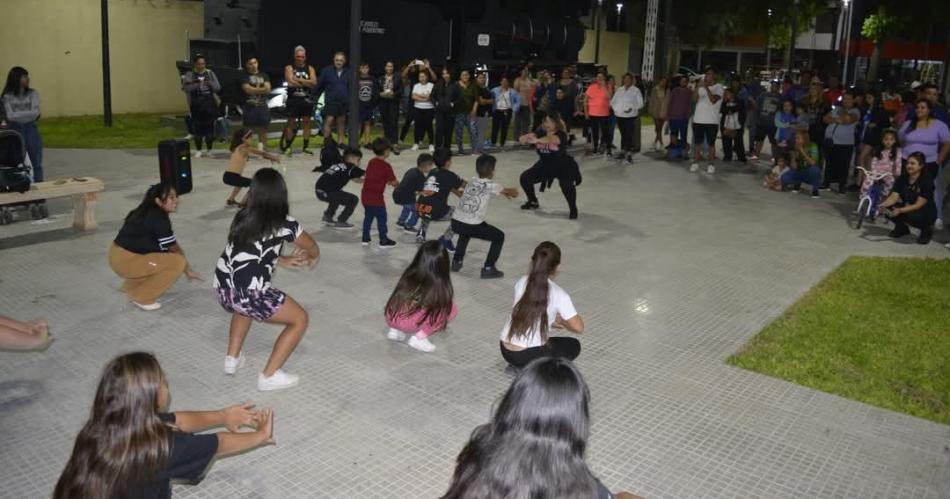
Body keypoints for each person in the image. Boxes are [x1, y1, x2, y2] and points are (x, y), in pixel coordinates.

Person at [53, 352, 274, 499]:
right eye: (163, 381)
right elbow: (220, 443)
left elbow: (178, 420)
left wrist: (222, 416)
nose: (167, 384)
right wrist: (261, 435)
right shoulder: (160, 447)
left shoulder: (99, 427)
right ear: (149, 396)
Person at [215, 168, 319, 391]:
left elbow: (249, 250)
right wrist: (314, 255)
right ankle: (269, 376)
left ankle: (231, 360)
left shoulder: (242, 216)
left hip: (223, 288)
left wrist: (280, 259)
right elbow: (309, 244)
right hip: (251, 294)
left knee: (243, 308)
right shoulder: (285, 223)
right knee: (299, 319)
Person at [109, 183, 202, 311]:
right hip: (126, 261)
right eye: (171, 197)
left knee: (160, 259)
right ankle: (141, 297)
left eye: (176, 196)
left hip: (119, 256)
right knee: (177, 262)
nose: (176, 200)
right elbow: (174, 249)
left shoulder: (145, 210)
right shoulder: (158, 218)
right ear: (158, 201)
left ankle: (130, 287)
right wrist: (187, 269)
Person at [498, 242, 584, 368]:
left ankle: (519, 365)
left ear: (533, 261)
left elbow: (523, 311)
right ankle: (534, 369)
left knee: (543, 341)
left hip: (505, 349)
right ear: (557, 267)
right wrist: (562, 321)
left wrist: (551, 320)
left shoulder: (522, 281)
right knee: (573, 345)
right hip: (528, 355)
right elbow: (579, 327)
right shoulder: (559, 294)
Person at [450, 154, 519, 279]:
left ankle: (457, 262)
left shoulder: (471, 181)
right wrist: (513, 192)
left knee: (465, 233)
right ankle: (488, 268)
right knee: (499, 236)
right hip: (471, 224)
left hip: (455, 222)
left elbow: (481, 190)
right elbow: (510, 192)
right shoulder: (493, 185)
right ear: (492, 171)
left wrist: (503, 192)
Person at [384, 240, 458, 352]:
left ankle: (395, 331)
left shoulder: (410, 273)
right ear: (443, 264)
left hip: (391, 318)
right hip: (410, 323)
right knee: (451, 309)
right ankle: (419, 338)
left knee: (411, 305)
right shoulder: (438, 283)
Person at [519, 115, 582, 219]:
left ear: (556, 123)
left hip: (562, 165)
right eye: (545, 122)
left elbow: (551, 139)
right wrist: (525, 137)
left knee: (567, 186)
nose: (546, 124)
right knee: (525, 178)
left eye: (550, 122)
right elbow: (530, 135)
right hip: (545, 164)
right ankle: (533, 201)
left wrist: (537, 141)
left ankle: (573, 208)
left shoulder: (561, 134)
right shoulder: (541, 131)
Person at [880, 152, 937, 244]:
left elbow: (918, 205)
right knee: (888, 209)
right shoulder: (902, 178)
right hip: (909, 207)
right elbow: (893, 197)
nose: (908, 166)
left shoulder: (927, 181)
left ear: (921, 166)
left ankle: (926, 231)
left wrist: (900, 210)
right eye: (907, 163)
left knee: (911, 215)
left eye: (912, 163)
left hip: (925, 212)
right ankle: (901, 228)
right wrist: (883, 205)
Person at [2, 66, 43, 182]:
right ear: (16, 78)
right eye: (24, 76)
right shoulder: (7, 96)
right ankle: (22, 186)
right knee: (18, 162)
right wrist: (27, 114)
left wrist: (18, 114)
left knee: (36, 161)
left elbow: (35, 113)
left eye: (27, 76)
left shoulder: (33, 93)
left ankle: (40, 191)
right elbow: (9, 116)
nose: (28, 79)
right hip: (15, 131)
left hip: (31, 129)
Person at [416, 147, 465, 243]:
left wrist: (458, 193)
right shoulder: (450, 175)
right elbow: (463, 184)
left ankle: (421, 233)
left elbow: (446, 185)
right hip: (436, 211)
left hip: (420, 207)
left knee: (428, 204)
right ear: (447, 162)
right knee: (462, 214)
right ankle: (445, 240)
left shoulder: (432, 172)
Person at [898, 99, 950, 182]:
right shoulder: (908, 124)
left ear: (929, 110)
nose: (919, 110)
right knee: (905, 188)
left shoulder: (940, 125)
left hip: (929, 164)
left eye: (923, 107)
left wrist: (938, 160)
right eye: (917, 107)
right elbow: (901, 140)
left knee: (925, 190)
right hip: (908, 162)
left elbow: (947, 143)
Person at [225, 128, 280, 207]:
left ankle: (231, 200)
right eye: (250, 138)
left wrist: (269, 158)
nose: (252, 139)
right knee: (255, 184)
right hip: (232, 176)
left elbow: (261, 155)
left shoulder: (238, 148)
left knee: (240, 182)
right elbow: (262, 153)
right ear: (244, 139)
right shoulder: (244, 148)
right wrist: (273, 157)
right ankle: (244, 203)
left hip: (229, 176)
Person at [361, 138, 399, 247]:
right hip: (376, 198)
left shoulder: (371, 162)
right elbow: (393, 181)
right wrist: (396, 183)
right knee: (382, 219)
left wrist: (385, 180)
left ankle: (365, 237)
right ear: (386, 151)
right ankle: (383, 239)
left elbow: (373, 175)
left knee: (368, 217)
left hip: (365, 196)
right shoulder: (386, 166)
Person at [279, 47, 317, 156]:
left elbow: (314, 82)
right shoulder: (289, 68)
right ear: (294, 57)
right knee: (290, 123)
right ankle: (288, 146)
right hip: (293, 100)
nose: (300, 59)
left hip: (306, 100)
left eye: (302, 57)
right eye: (298, 56)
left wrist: (298, 79)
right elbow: (290, 83)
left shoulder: (310, 68)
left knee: (307, 123)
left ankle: (305, 147)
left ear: (305, 57)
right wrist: (307, 82)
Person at [181, 55, 221, 158]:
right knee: (198, 127)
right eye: (199, 64)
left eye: (203, 63)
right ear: (195, 64)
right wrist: (197, 84)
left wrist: (209, 83)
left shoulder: (210, 73)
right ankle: (198, 150)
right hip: (196, 103)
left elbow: (218, 87)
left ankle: (209, 150)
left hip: (209, 103)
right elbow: (185, 88)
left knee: (209, 127)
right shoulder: (190, 74)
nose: (201, 66)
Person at [315, 147, 365, 228]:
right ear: (351, 158)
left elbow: (355, 179)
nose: (359, 163)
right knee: (353, 199)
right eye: (358, 160)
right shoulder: (350, 167)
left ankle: (328, 216)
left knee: (337, 196)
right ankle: (341, 220)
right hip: (328, 192)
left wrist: (364, 181)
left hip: (320, 190)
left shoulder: (339, 165)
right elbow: (367, 174)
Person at [822, 90, 861, 194]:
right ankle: (826, 183)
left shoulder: (855, 111)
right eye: (844, 99)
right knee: (829, 163)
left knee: (843, 165)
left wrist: (838, 117)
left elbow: (847, 120)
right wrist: (837, 119)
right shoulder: (838, 109)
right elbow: (825, 118)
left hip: (845, 143)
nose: (846, 101)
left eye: (849, 99)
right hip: (831, 141)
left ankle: (842, 186)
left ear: (854, 100)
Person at [859, 129, 900, 208]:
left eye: (891, 139)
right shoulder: (878, 150)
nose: (888, 142)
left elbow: (898, 163)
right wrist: (872, 172)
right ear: (882, 140)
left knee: (889, 183)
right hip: (876, 172)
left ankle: (881, 199)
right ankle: (863, 197)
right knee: (867, 181)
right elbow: (874, 161)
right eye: (886, 139)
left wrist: (897, 173)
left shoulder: (897, 151)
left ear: (895, 141)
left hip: (887, 173)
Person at [400, 59, 437, 145]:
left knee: (423, 122)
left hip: (426, 104)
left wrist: (429, 67)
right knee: (408, 120)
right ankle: (401, 139)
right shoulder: (415, 74)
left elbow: (435, 78)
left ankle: (420, 140)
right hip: (412, 101)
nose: (422, 66)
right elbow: (402, 76)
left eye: (424, 64)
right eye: (420, 64)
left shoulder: (428, 76)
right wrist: (409, 66)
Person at [316, 51, 350, 144]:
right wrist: (313, 96)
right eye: (337, 60)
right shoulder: (327, 71)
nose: (338, 62)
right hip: (331, 100)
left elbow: (351, 88)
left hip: (343, 102)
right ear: (333, 60)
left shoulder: (348, 72)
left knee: (341, 122)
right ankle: (327, 142)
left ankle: (340, 142)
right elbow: (320, 85)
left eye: (341, 60)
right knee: (329, 120)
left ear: (344, 61)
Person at [394, 153, 434, 232]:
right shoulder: (420, 177)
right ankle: (409, 226)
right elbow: (422, 191)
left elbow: (408, 183)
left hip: (397, 193)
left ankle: (401, 221)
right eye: (431, 165)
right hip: (406, 196)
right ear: (425, 165)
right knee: (418, 210)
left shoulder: (412, 170)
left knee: (407, 207)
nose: (431, 168)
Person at [240, 56, 272, 151]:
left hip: (262, 105)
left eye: (255, 63)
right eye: (250, 63)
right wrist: (262, 89)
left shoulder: (264, 75)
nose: (253, 65)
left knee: (263, 129)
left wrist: (255, 90)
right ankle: (247, 150)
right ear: (246, 65)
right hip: (250, 106)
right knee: (249, 130)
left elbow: (268, 89)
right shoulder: (244, 76)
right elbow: (247, 90)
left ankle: (262, 149)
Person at [611, 73, 644, 164]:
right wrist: (617, 110)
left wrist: (632, 108)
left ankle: (629, 154)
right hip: (620, 116)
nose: (627, 81)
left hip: (630, 116)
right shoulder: (619, 90)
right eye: (625, 79)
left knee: (629, 134)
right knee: (623, 134)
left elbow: (640, 104)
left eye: (628, 79)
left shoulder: (636, 90)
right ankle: (623, 151)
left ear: (632, 80)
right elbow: (613, 102)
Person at [857, 90, 891, 176]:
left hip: (873, 136)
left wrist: (876, 125)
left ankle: (863, 178)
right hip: (864, 134)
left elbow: (886, 123)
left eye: (870, 98)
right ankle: (868, 177)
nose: (868, 100)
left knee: (862, 157)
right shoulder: (866, 109)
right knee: (868, 159)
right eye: (866, 98)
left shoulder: (880, 110)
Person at [780, 129, 823, 197]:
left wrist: (802, 150)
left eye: (798, 138)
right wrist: (793, 158)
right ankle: (797, 184)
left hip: (809, 172)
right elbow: (794, 167)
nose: (796, 140)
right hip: (800, 171)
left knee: (815, 170)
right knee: (784, 177)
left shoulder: (813, 146)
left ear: (805, 138)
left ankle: (815, 189)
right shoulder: (795, 147)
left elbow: (813, 163)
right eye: (796, 138)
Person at [452, 69, 481, 155]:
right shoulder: (456, 85)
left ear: (469, 76)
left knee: (472, 130)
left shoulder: (473, 85)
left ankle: (475, 149)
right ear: (460, 76)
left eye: (466, 75)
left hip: (470, 112)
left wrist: (474, 110)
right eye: (463, 75)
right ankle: (460, 149)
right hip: (459, 112)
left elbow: (476, 99)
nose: (465, 76)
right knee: (459, 131)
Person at [376, 61, 403, 153]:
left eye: (391, 66)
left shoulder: (397, 78)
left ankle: (395, 143)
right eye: (388, 66)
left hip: (393, 102)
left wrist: (394, 93)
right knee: (385, 121)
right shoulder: (380, 78)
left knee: (393, 122)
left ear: (393, 68)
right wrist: (380, 94)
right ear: (385, 68)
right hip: (383, 102)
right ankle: (387, 143)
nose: (389, 68)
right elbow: (376, 90)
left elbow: (401, 90)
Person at [753, 80, 783, 162]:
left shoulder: (781, 97)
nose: (774, 87)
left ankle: (774, 157)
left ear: (779, 87)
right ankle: (756, 155)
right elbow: (757, 106)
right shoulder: (763, 94)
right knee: (759, 140)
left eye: (776, 86)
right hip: (761, 122)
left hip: (773, 124)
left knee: (773, 142)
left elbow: (782, 110)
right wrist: (756, 119)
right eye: (773, 85)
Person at [585, 72, 613, 156]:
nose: (599, 79)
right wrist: (586, 112)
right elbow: (585, 100)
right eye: (598, 77)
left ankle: (608, 147)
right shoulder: (591, 87)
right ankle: (595, 147)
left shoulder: (608, 86)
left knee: (605, 132)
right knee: (594, 131)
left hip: (604, 113)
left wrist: (604, 86)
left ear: (604, 78)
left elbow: (609, 97)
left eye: (601, 77)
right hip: (593, 113)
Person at [409, 70, 436, 151]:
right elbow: (413, 96)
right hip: (417, 108)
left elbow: (430, 97)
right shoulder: (416, 85)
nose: (422, 78)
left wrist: (419, 96)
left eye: (423, 76)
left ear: (427, 77)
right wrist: (424, 97)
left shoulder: (431, 85)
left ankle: (431, 144)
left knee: (429, 127)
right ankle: (416, 143)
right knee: (417, 126)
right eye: (420, 76)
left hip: (429, 108)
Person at [490, 75, 520, 148]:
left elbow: (518, 101)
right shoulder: (494, 90)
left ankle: (502, 143)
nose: (504, 83)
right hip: (497, 111)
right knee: (495, 127)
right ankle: (493, 142)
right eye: (503, 81)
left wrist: (514, 109)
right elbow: (489, 97)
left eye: (506, 81)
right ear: (500, 82)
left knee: (505, 128)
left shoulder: (513, 91)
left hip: (507, 111)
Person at [667, 75, 692, 158]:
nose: (683, 83)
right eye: (681, 81)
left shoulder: (689, 92)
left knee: (683, 136)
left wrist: (687, 115)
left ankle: (684, 153)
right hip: (673, 117)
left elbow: (689, 105)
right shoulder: (675, 90)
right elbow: (670, 103)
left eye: (685, 81)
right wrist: (669, 115)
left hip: (683, 118)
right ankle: (675, 151)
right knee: (674, 135)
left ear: (687, 82)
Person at [720, 87, 747, 162]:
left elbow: (740, 110)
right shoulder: (724, 103)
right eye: (724, 94)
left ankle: (741, 158)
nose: (725, 95)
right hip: (726, 126)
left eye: (726, 94)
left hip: (737, 126)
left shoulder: (740, 101)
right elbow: (723, 110)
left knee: (739, 143)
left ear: (732, 94)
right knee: (726, 143)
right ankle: (727, 157)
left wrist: (730, 110)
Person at [433, 67, 456, 150]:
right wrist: (435, 103)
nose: (445, 75)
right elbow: (432, 96)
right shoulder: (438, 84)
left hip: (450, 112)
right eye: (443, 74)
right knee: (439, 130)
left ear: (450, 74)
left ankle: (447, 148)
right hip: (439, 111)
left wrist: (453, 103)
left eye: (447, 73)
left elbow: (459, 98)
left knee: (448, 131)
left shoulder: (454, 85)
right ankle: (438, 148)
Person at [356, 62, 377, 147]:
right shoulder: (357, 79)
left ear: (368, 69)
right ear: (359, 69)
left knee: (367, 123)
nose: (364, 70)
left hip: (368, 104)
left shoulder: (372, 79)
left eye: (366, 68)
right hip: (359, 104)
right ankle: (356, 141)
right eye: (362, 68)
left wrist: (373, 103)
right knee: (358, 123)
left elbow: (375, 92)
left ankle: (367, 142)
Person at [513, 67, 537, 140]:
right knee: (517, 123)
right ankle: (517, 138)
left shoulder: (529, 80)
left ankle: (524, 138)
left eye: (527, 71)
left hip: (527, 104)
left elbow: (535, 86)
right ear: (521, 72)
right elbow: (515, 92)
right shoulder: (517, 80)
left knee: (526, 122)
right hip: (519, 104)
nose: (525, 73)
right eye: (524, 71)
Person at [648, 76, 669, 151]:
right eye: (662, 81)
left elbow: (668, 102)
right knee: (658, 127)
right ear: (659, 81)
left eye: (665, 82)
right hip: (656, 111)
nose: (663, 83)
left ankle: (655, 142)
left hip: (663, 111)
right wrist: (650, 110)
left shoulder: (667, 90)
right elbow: (651, 101)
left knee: (660, 128)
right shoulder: (655, 89)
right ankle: (661, 143)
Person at [473, 72, 494, 151]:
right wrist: (489, 101)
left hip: (485, 113)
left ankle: (480, 147)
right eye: (480, 77)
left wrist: (487, 101)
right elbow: (481, 101)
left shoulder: (486, 88)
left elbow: (492, 101)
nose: (482, 79)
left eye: (483, 77)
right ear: (477, 79)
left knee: (482, 131)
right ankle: (477, 148)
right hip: (478, 112)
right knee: (478, 131)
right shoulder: (476, 88)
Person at [773, 99, 797, 165]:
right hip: (779, 138)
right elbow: (777, 123)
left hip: (790, 140)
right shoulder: (779, 113)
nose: (786, 107)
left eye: (788, 105)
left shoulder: (793, 116)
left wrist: (789, 126)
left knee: (787, 158)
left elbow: (794, 127)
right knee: (779, 156)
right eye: (785, 106)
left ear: (792, 107)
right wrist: (788, 125)